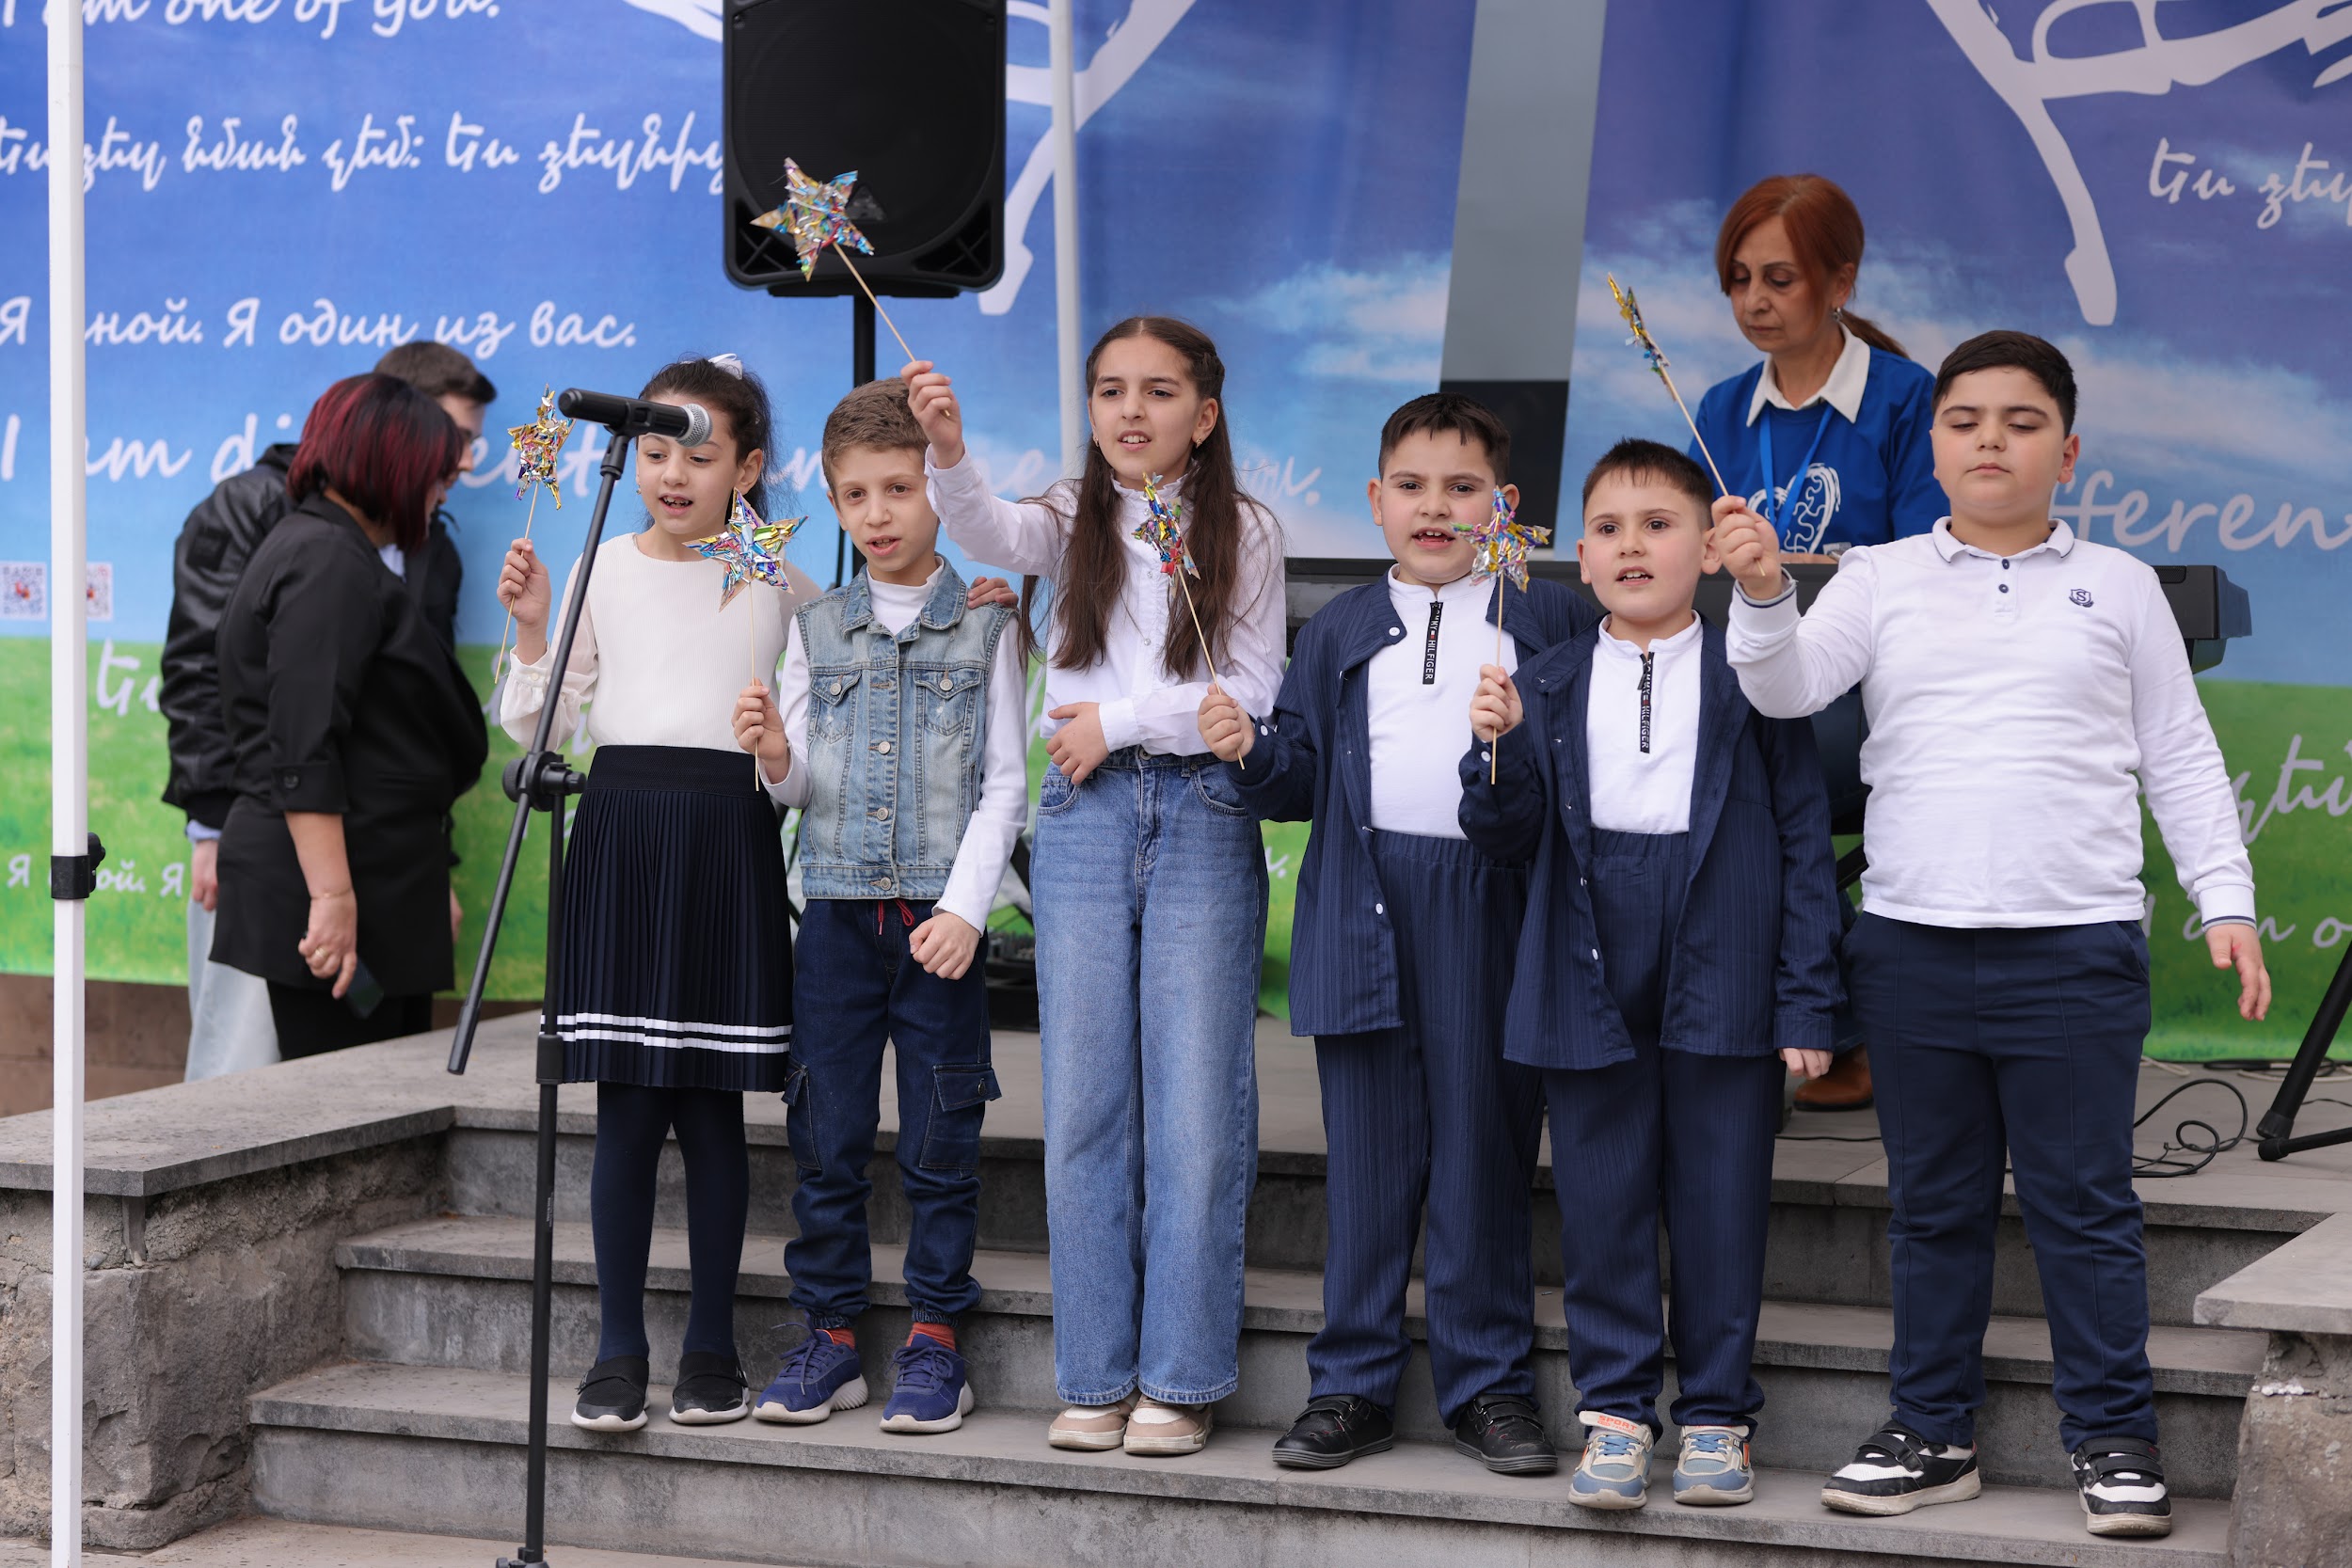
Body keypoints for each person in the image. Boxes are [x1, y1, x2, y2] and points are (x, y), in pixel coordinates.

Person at [1717, 332, 2270, 1538]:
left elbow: (2179, 754)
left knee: (2085, 1205)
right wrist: (1761, 594)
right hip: (1910, 944)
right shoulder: (1876, 575)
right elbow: (1783, 688)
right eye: (1964, 420)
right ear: (1931, 444)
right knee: (1932, 1208)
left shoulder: (2120, 584)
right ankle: (1932, 1433)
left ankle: (2114, 1439)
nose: (1989, 441)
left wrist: (2223, 899)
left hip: (2074, 946)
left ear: (2065, 453)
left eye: (2021, 423)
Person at [905, 317, 1287, 1458]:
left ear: (1203, 415)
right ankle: (1095, 1371)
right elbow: (984, 526)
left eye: (1158, 391)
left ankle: (1180, 1374)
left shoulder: (1245, 531)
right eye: (1110, 389)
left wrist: (1115, 718)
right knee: (1082, 1102)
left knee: (1196, 1105)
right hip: (1083, 818)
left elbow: (1246, 692)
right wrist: (946, 449)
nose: (1131, 410)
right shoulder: (1071, 515)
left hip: (1201, 809)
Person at [1197, 393, 1595, 1476]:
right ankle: (1351, 1384)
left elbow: (1565, 782)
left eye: (1463, 487)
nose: (1435, 507)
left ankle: (1488, 1385)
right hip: (1363, 909)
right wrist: (1249, 751)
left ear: (1503, 506)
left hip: (1490, 912)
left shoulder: (1544, 619)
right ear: (1375, 500)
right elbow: (1298, 778)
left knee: (1481, 1154)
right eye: (1411, 486)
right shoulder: (1337, 628)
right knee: (1368, 1167)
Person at [1460, 437, 1842, 1512]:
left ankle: (1717, 1414)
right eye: (1609, 529)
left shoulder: (1757, 682)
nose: (1632, 545)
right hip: (1586, 957)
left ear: (1709, 550)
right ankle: (1618, 1410)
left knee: (1722, 1197)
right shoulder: (1539, 683)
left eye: (1659, 524)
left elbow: (1804, 844)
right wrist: (1492, 755)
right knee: (1602, 1199)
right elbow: (1503, 839)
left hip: (1724, 956)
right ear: (1580, 558)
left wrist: (1807, 998)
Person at [498, 354, 823, 1435]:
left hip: (727, 835)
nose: (673, 474)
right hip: (621, 833)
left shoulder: (778, 582)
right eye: (653, 452)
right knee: (628, 1108)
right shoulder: (600, 563)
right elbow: (540, 723)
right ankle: (618, 1349)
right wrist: (535, 627)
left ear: (749, 468)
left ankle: (714, 1348)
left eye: (699, 454)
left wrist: (774, 750)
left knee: (712, 1108)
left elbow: (805, 757)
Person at [731, 379, 1025, 1436]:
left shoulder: (987, 624)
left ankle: (937, 1341)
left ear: (935, 488)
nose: (880, 513)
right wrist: (774, 755)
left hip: (936, 929)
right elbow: (796, 788)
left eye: (900, 488)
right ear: (832, 499)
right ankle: (831, 1338)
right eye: (856, 495)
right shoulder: (814, 627)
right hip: (836, 923)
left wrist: (965, 909)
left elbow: (1004, 783)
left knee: (942, 1138)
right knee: (827, 1134)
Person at [163, 341, 496, 1081]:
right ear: (395, 468)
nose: (445, 490)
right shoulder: (327, 561)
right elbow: (302, 744)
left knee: (373, 1101)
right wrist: (334, 896)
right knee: (327, 1109)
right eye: (438, 473)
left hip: (375, 884)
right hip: (327, 901)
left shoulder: (334, 549)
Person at [1689, 173, 1947, 1113]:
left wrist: (1791, 567)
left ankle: (1833, 1023)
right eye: (1739, 279)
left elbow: (1930, 564)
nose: (1754, 301)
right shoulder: (1716, 410)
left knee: (1755, 764)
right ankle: (1723, 1029)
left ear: (1839, 283)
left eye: (1779, 279)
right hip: (1748, 679)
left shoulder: (1910, 400)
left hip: (1866, 689)